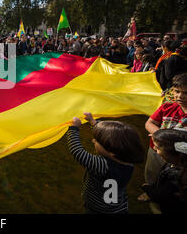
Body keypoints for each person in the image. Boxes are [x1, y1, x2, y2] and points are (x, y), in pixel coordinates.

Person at [67, 112, 144, 213]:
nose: (93, 140)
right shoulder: (128, 162)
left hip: (98, 209)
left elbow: (77, 151)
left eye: (97, 141)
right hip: (118, 207)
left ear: (112, 152)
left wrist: (74, 129)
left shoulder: (103, 166)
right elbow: (108, 136)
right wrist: (93, 121)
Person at [140, 73, 187, 210]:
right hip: (155, 150)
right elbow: (149, 123)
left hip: (180, 159)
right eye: (177, 91)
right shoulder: (167, 107)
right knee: (152, 172)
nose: (180, 96)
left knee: (173, 184)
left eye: (185, 93)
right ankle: (150, 191)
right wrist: (161, 136)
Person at [141, 128, 187, 213]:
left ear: (173, 153)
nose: (154, 148)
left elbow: (159, 196)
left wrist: (146, 187)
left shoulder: (175, 176)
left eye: (157, 147)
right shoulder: (173, 163)